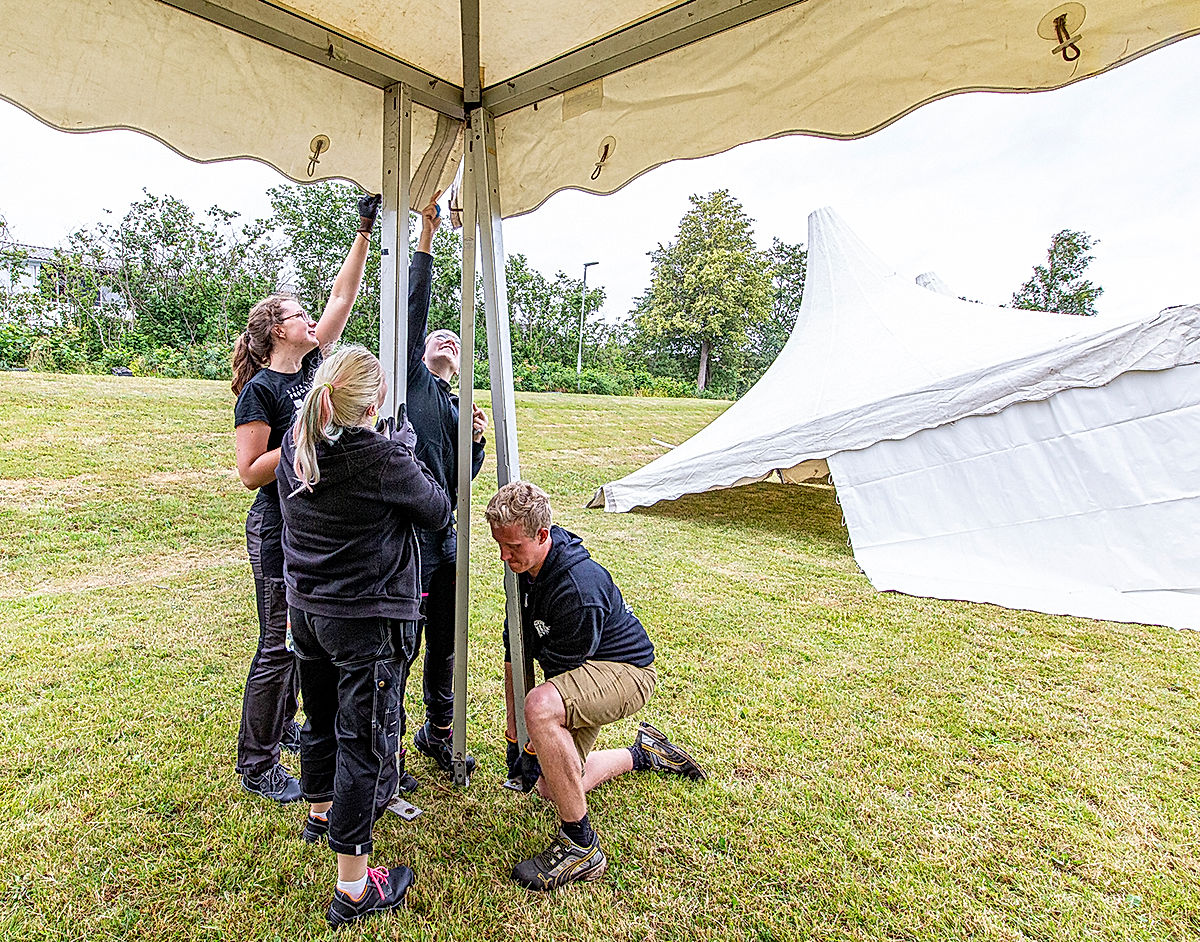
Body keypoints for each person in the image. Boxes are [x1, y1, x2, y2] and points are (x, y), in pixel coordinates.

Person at [276, 344, 450, 928]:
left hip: (309, 611)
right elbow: (437, 511)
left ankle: (320, 810)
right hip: (365, 619)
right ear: (374, 402)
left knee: (320, 719)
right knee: (365, 738)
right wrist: (407, 450)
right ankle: (354, 888)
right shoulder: (382, 459)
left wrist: (392, 448)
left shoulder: (296, 448)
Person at [231, 192, 381, 803]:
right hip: (274, 527)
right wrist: (304, 433)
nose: (309, 321)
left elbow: (342, 297)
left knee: (301, 637)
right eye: (298, 314)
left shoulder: (316, 365)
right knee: (277, 642)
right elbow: (249, 471)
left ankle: (284, 729)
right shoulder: (262, 391)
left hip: (308, 527)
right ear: (276, 330)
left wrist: (364, 230)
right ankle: (258, 761)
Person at [484, 481, 707, 891]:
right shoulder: (523, 572)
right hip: (584, 670)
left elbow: (556, 689)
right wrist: (514, 732)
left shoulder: (576, 589)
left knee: (542, 709)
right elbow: (515, 649)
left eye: (513, 546)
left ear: (542, 535)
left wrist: (534, 740)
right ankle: (644, 755)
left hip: (627, 673)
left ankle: (580, 846)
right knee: (553, 786)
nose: (504, 555)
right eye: (499, 545)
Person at [403, 192, 488, 780]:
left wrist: (476, 444)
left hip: (449, 539)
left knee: (446, 643)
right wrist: (427, 243)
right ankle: (385, 736)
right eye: (439, 339)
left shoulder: (456, 406)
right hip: (410, 540)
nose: (448, 342)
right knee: (402, 643)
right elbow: (413, 313)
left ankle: (438, 730)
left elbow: (464, 481)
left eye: (455, 342)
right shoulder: (410, 382)